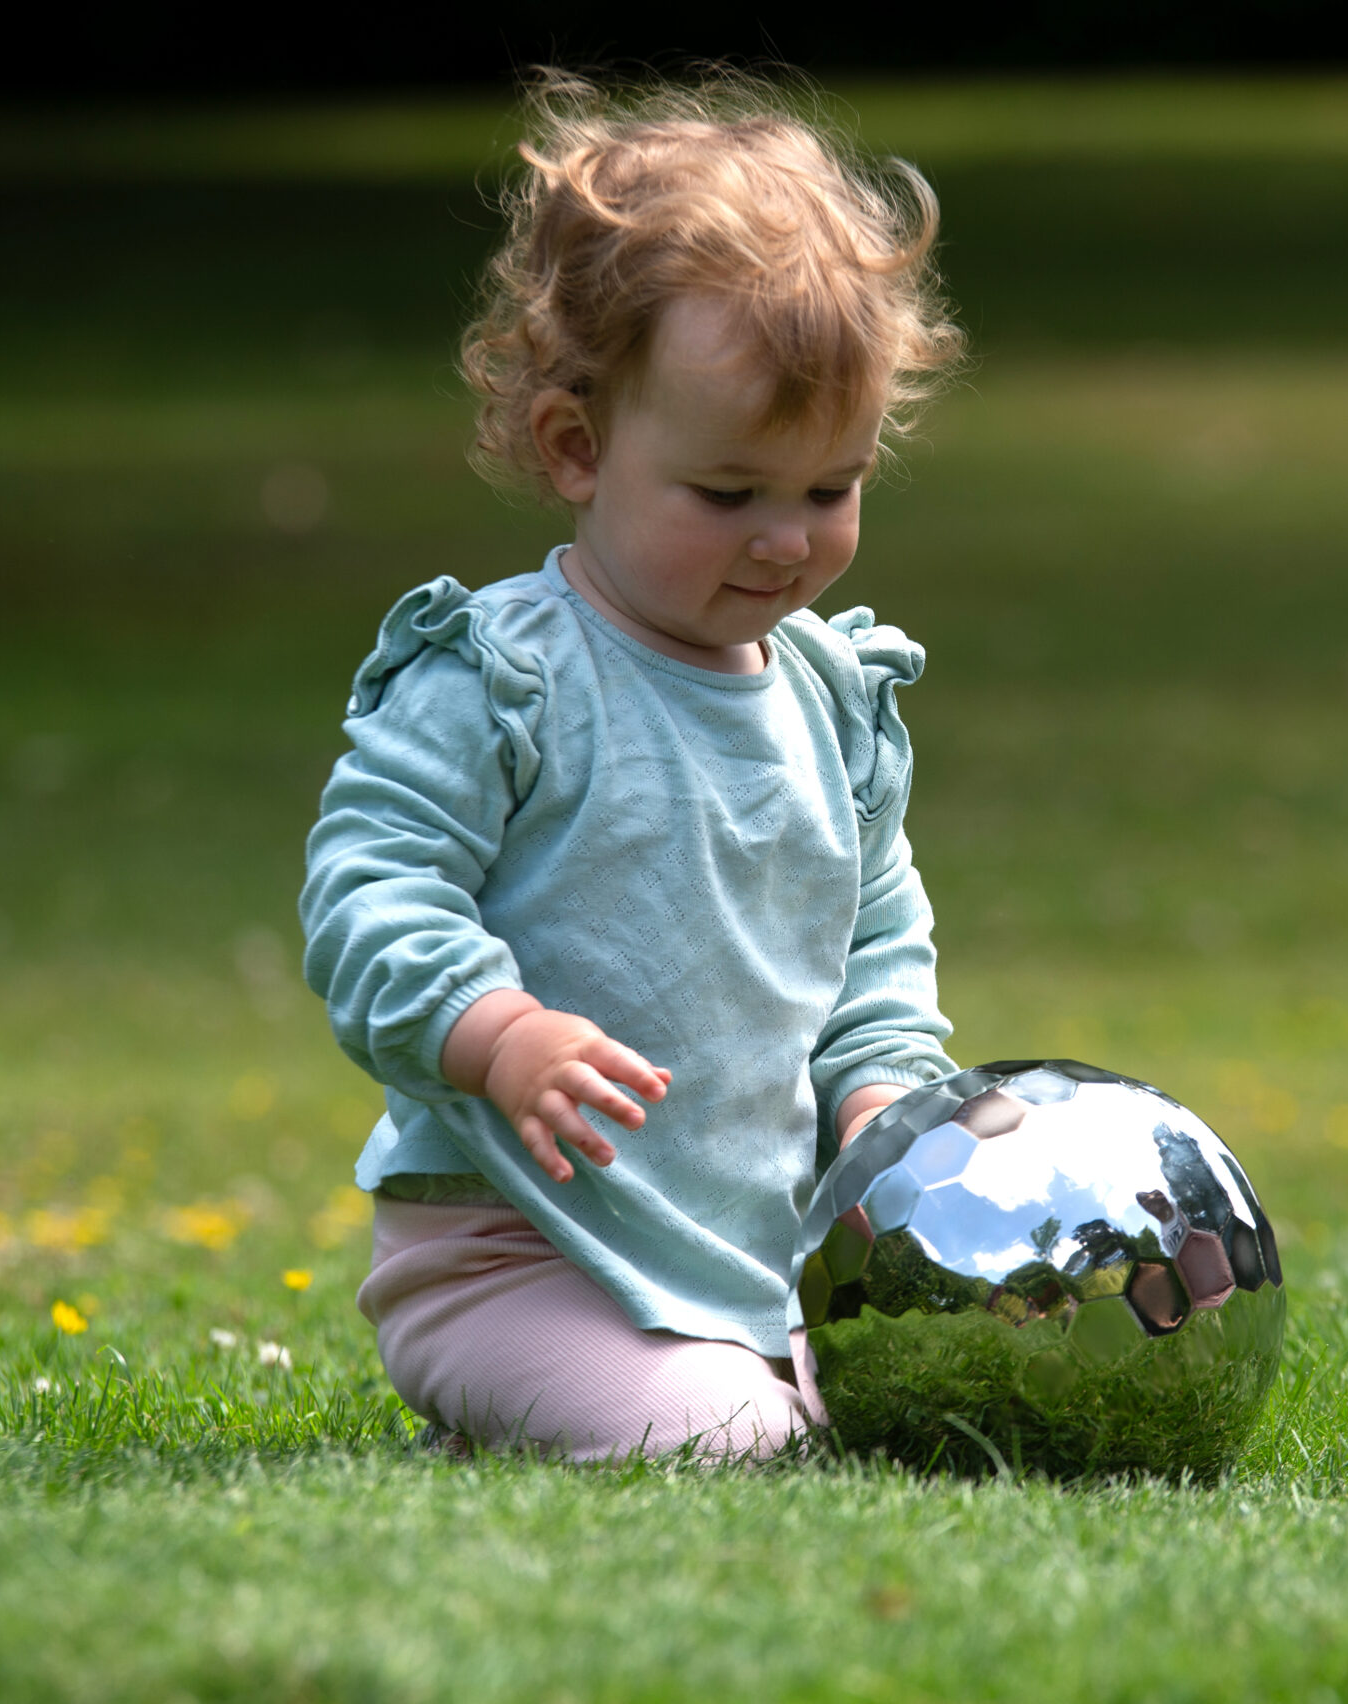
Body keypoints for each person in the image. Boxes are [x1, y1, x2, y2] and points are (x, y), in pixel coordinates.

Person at [300, 71, 965, 1462]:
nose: (786, 539)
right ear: (577, 448)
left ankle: (672, 1391)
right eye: (729, 493)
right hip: (512, 1254)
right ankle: (541, 1400)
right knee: (735, 1444)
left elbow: (875, 954)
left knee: (928, 1413)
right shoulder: (504, 680)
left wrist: (884, 1099)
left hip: (753, 1257)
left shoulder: (834, 703)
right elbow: (368, 896)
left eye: (830, 488)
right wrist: (498, 1033)